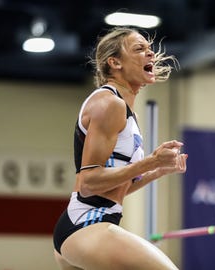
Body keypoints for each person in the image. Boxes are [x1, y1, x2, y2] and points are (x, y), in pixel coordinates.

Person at [53, 27, 188, 270]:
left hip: (90, 225)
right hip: (87, 223)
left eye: (149, 49)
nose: (150, 54)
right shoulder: (109, 104)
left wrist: (157, 171)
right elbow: (89, 182)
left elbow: (116, 186)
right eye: (139, 49)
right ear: (114, 62)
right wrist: (151, 162)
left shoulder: (128, 113)